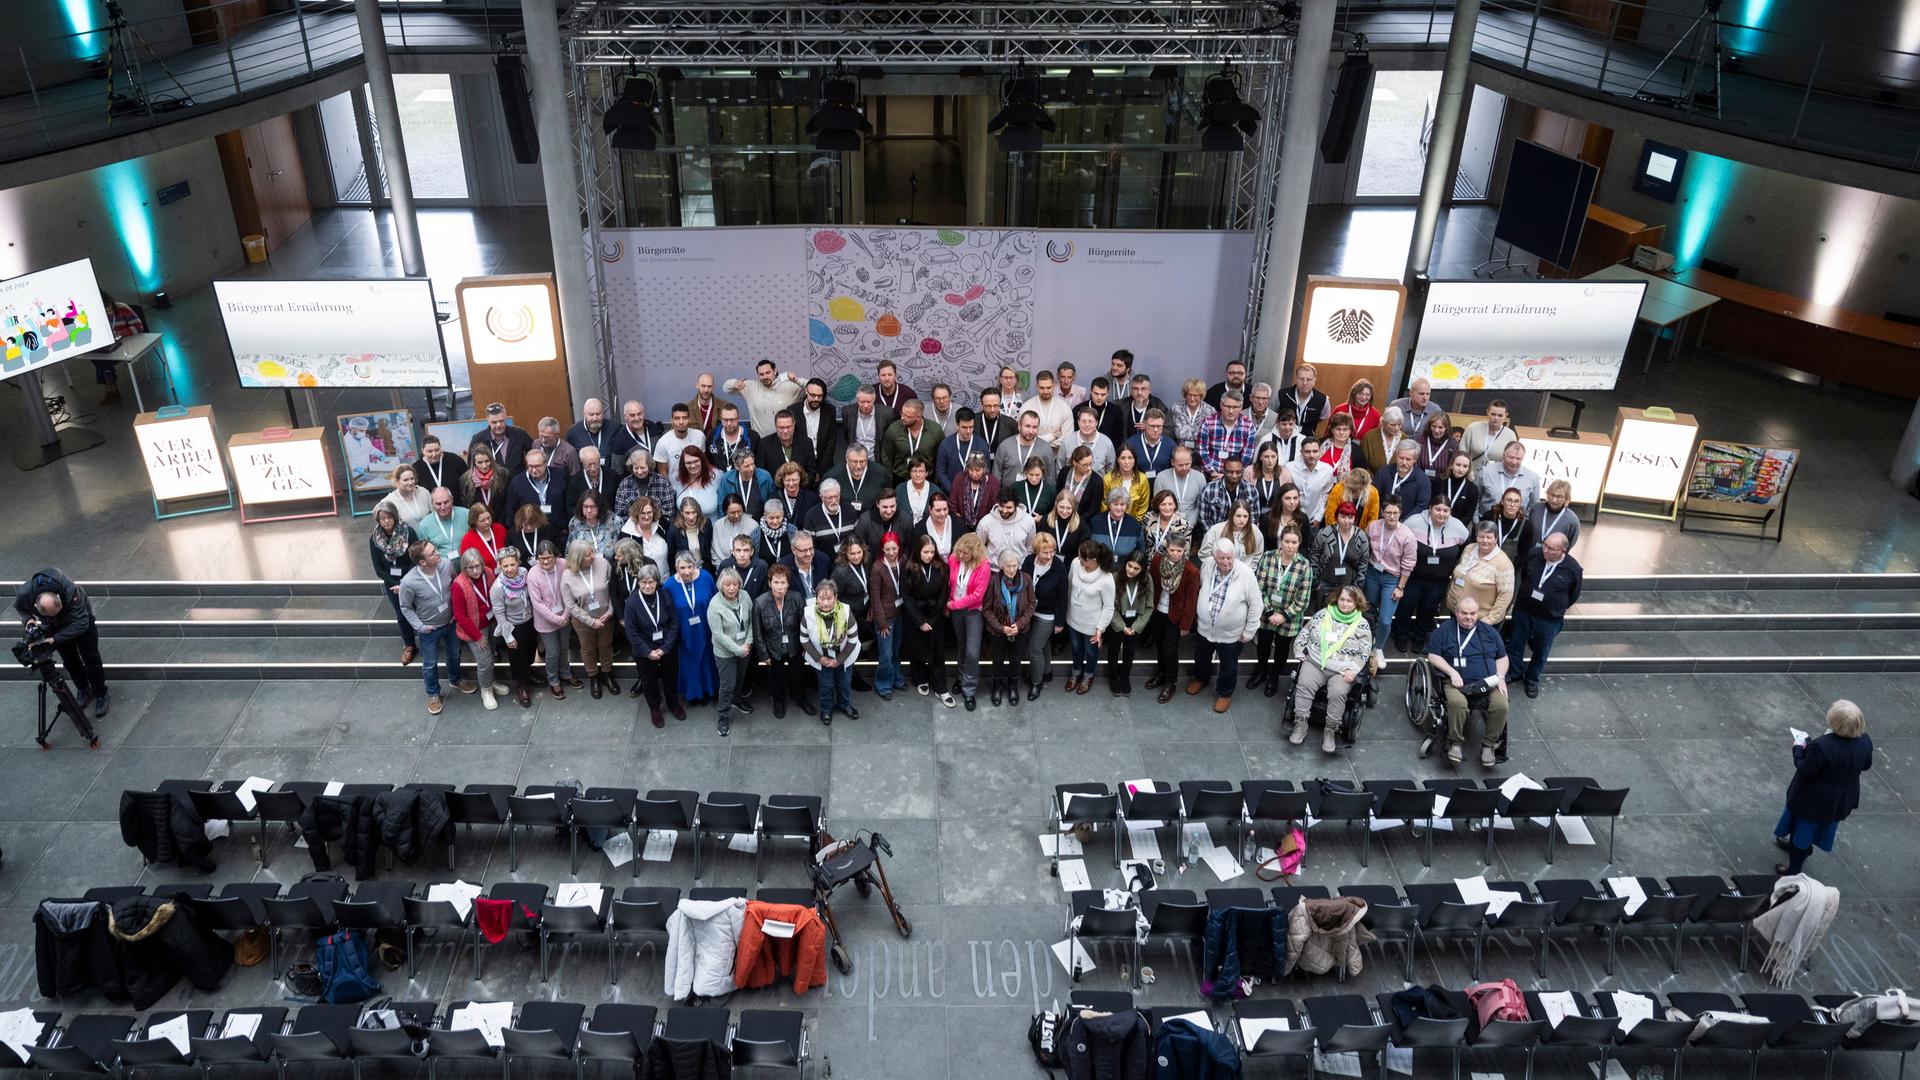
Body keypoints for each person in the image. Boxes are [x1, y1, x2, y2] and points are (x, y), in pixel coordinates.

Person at [1773, 699, 1874, 876]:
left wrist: (1798, 749)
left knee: (1801, 832)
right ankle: (1804, 848)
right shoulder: (1864, 741)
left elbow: (1805, 770)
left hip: (1812, 800)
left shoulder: (1823, 746)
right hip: (1841, 799)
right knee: (1814, 828)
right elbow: (1866, 765)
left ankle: (1793, 869)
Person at [1424, 596, 1510, 767]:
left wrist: (1500, 677)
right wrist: (1452, 672)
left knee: (1502, 705)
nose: (1469, 617)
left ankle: (1489, 744)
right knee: (1457, 703)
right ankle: (1455, 742)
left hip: (1488, 681)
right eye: (1464, 613)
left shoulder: (1489, 632)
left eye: (1472, 613)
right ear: (1456, 613)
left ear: (1478, 613)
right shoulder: (1445, 631)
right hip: (1457, 682)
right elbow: (1432, 655)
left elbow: (1502, 657)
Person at [13, 567, 110, 716]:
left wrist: (54, 639)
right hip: (55, 627)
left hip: (80, 621)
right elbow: (20, 609)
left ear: (60, 598)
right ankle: (83, 689)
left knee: (91, 658)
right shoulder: (24, 594)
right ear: (36, 606)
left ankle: (100, 693)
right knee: (69, 660)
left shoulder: (71, 591)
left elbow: (82, 623)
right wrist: (29, 621)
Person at [1290, 586, 1373, 752]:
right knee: (1303, 685)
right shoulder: (1322, 614)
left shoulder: (1362, 624)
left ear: (1356, 603)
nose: (1344, 604)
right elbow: (1305, 633)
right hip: (1315, 662)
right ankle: (1300, 723)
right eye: (1342, 599)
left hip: (1342, 670)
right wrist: (1299, 651)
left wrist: (1353, 670)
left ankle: (1330, 730)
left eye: (1349, 601)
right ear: (1337, 599)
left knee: (1338, 694)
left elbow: (1365, 651)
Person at [1186, 538, 1263, 713]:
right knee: (1201, 657)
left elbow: (1256, 605)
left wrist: (1250, 631)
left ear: (1235, 556)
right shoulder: (1207, 565)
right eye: (1221, 558)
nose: (1225, 562)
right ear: (1214, 557)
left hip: (1231, 633)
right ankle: (1201, 679)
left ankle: (1225, 693)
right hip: (1205, 628)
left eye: (1229, 558)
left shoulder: (1246, 574)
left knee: (1229, 665)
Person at [397, 541, 469, 715]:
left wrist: (457, 611)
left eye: (436, 549)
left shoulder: (446, 564)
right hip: (429, 629)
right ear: (422, 562)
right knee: (430, 664)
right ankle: (433, 693)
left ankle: (455, 679)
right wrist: (420, 626)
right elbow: (405, 607)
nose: (438, 553)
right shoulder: (409, 581)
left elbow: (455, 584)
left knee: (454, 653)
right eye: (432, 553)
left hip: (451, 622)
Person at [1507, 532, 1582, 698]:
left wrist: (1555, 605)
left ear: (1564, 551)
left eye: (1552, 549)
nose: (1545, 551)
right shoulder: (1534, 555)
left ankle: (1532, 678)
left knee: (1541, 650)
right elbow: (1525, 575)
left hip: (1549, 618)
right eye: (1545, 545)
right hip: (1524, 610)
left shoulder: (1572, 569)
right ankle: (1514, 671)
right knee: (1516, 642)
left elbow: (1574, 593)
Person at [1393, 496, 1471, 652]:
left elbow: (1464, 549)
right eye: (1437, 509)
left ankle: (1419, 638)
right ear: (1430, 508)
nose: (1441, 514)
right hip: (1413, 578)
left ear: (1450, 512)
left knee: (1427, 610)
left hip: (1438, 582)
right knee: (1405, 608)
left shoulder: (1459, 528)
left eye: (1445, 510)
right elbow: (1400, 541)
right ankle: (1401, 636)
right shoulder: (1413, 522)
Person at [1250, 527, 1313, 696]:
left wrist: (1284, 616)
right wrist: (1270, 613)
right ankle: (1261, 671)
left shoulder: (1304, 565)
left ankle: (1274, 676)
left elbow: (1303, 599)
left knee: (1282, 649)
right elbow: (1258, 587)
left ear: (1299, 543)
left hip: (1289, 618)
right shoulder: (1268, 557)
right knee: (1262, 645)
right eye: (1287, 541)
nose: (1290, 546)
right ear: (1281, 541)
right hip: (1266, 614)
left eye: (1294, 542)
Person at [623, 563, 684, 726]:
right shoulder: (632, 602)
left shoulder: (664, 596)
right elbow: (631, 632)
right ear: (639, 582)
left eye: (651, 582)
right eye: (643, 582)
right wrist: (647, 651)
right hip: (644, 650)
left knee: (671, 677)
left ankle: (673, 703)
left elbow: (674, 623)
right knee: (649, 681)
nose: (647, 586)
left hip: (666, 647)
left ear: (657, 582)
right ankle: (655, 708)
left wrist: (665, 648)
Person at [1363, 496, 1416, 668]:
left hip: (1392, 578)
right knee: (1369, 612)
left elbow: (1408, 564)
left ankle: (1378, 648)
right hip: (1372, 573)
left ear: (1400, 513)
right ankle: (1365, 644)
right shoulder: (1373, 527)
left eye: (1395, 513)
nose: (1392, 516)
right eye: (1388, 512)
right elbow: (1365, 549)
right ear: (1382, 513)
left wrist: (1400, 587)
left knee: (1386, 619)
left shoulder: (1407, 535)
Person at [752, 564, 810, 719]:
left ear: (788, 584)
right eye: (776, 582)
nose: (779, 587)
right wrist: (763, 654)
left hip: (794, 644)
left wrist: (805, 646)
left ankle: (800, 698)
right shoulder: (760, 603)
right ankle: (778, 701)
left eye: (783, 582)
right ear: (770, 583)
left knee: (798, 673)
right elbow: (758, 632)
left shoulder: (797, 598)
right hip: (773, 646)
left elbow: (805, 624)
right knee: (776, 676)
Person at [451, 549, 507, 711]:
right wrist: (477, 637)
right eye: (470, 568)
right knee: (485, 661)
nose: (475, 571)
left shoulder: (489, 573)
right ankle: (486, 690)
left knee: (493, 653)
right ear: (463, 568)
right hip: (474, 629)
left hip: (491, 622)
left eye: (477, 566)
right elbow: (460, 616)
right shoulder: (459, 585)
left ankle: (490, 681)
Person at [903, 534, 954, 706]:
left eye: (932, 552)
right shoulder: (909, 568)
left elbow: (942, 597)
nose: (929, 555)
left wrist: (930, 621)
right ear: (918, 551)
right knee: (917, 651)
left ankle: (940, 688)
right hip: (916, 617)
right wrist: (920, 621)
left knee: (938, 653)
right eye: (926, 552)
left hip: (935, 617)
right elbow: (907, 597)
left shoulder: (941, 568)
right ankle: (920, 679)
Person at [563, 538, 617, 698]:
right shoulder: (567, 575)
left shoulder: (603, 563)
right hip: (583, 621)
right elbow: (570, 605)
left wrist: (610, 612)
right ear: (577, 558)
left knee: (606, 646)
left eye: (592, 552)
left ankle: (607, 674)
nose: (593, 556)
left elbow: (614, 591)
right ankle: (594, 677)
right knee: (588, 650)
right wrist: (591, 621)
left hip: (606, 617)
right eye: (587, 555)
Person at [1148, 538, 1198, 703]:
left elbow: (1191, 600)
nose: (1175, 554)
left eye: (1179, 551)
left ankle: (1171, 682)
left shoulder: (1190, 570)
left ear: (1184, 551)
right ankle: (1161, 674)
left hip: (1176, 615)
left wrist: (1186, 625)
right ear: (1166, 549)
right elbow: (1152, 585)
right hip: (1158, 611)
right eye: (1172, 550)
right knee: (1159, 645)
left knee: (1170, 650)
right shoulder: (1157, 561)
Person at [982, 550, 1035, 707]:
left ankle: (1013, 687)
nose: (1012, 570)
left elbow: (1031, 604)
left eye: (1014, 565)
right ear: (1001, 566)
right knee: (997, 660)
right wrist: (1001, 628)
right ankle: (997, 687)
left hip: (1019, 630)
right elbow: (987, 609)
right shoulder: (994, 581)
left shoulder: (1026, 579)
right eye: (1008, 566)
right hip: (998, 631)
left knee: (1016, 660)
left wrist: (1018, 625)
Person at [527, 541, 579, 698]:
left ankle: (566, 674)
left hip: (565, 615)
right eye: (541, 558)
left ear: (556, 556)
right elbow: (537, 604)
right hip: (546, 621)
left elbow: (571, 590)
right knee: (552, 651)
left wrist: (565, 615)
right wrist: (557, 619)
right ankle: (553, 680)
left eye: (549, 557)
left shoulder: (564, 565)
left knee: (564, 648)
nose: (545, 561)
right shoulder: (533, 574)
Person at [803, 581, 860, 725]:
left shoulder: (846, 612)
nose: (826, 603)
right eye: (822, 598)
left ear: (836, 597)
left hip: (844, 656)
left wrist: (839, 660)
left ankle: (844, 705)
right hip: (821, 658)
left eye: (829, 598)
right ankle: (826, 709)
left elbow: (853, 639)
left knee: (844, 682)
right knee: (825, 685)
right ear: (816, 598)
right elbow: (803, 639)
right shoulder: (808, 613)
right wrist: (819, 658)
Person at [707, 567, 756, 736]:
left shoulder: (745, 597)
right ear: (721, 585)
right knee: (727, 685)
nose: (732, 588)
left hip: (745, 648)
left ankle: (737, 700)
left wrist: (748, 643)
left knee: (740, 678)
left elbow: (751, 622)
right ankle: (723, 716)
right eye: (727, 584)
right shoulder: (715, 605)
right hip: (726, 652)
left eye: (735, 584)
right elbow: (718, 634)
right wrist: (738, 649)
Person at [1063, 540, 1115, 695]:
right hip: (1073, 619)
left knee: (1091, 652)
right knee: (1076, 649)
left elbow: (1108, 606)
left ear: (1093, 560)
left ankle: (1088, 675)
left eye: (1082, 558)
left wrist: (1100, 629)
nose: (1079, 559)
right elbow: (1069, 587)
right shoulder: (1075, 564)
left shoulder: (1106, 578)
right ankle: (1076, 673)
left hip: (1092, 625)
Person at [668, 551, 718, 706]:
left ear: (695, 564)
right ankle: (693, 694)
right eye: (682, 568)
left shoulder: (706, 577)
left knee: (706, 659)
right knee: (689, 662)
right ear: (676, 567)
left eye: (690, 566)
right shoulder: (669, 585)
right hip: (684, 631)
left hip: (706, 628)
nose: (686, 572)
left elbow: (715, 600)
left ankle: (709, 690)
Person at [947, 533, 990, 710]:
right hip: (956, 610)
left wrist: (954, 604)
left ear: (974, 552)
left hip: (973, 612)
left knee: (972, 651)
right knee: (962, 645)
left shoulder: (983, 566)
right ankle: (961, 678)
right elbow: (950, 583)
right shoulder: (954, 559)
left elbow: (977, 596)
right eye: (960, 552)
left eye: (965, 553)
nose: (961, 556)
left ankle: (969, 690)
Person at [490, 548, 537, 708]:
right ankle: (521, 685)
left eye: (512, 564)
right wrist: (508, 636)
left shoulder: (524, 573)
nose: (509, 569)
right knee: (517, 658)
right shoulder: (497, 587)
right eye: (505, 566)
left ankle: (529, 673)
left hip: (530, 621)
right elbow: (499, 613)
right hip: (514, 626)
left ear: (518, 563)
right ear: (499, 566)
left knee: (531, 651)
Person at [1022, 531, 1068, 697]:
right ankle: (1046, 671)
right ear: (1036, 551)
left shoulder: (1058, 567)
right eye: (1045, 552)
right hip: (1029, 611)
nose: (1049, 556)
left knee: (1034, 648)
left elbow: (1063, 596)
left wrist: (1060, 622)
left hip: (1047, 614)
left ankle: (1036, 682)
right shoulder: (1028, 561)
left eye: (1052, 551)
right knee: (1044, 645)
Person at [1446, 522, 1517, 627]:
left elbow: (1505, 596)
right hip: (1456, 611)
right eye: (1481, 536)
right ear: (1476, 537)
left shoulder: (1504, 564)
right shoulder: (1469, 549)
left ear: (1496, 538)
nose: (1484, 540)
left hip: (1478, 620)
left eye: (1489, 537)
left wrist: (1490, 619)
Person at [830, 537, 875, 693]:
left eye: (859, 552)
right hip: (847, 614)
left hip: (863, 609)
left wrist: (871, 607)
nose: (856, 557)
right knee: (849, 648)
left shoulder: (866, 563)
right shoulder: (840, 572)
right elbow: (833, 597)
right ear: (845, 554)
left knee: (869, 636)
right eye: (852, 554)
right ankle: (854, 679)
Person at [1106, 550, 1154, 695]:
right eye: (1129, 566)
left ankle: (1125, 676)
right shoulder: (1114, 578)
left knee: (1130, 650)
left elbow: (1149, 607)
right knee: (1113, 650)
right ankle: (1113, 676)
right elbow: (1109, 606)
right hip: (1117, 618)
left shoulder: (1147, 579)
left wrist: (1136, 626)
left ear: (1142, 569)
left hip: (1136, 621)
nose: (1131, 571)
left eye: (1136, 568)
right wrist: (1121, 626)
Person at [869, 533, 907, 701]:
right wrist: (882, 623)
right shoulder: (877, 568)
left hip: (901, 615)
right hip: (886, 618)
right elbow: (875, 598)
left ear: (899, 548)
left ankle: (897, 679)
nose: (892, 552)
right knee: (885, 653)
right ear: (882, 549)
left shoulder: (903, 561)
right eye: (888, 549)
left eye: (894, 548)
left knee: (896, 650)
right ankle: (883, 685)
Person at [1310, 501, 1371, 605]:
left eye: (1350, 517)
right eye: (1343, 517)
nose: (1346, 521)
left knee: (1344, 617)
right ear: (1337, 517)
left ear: (1355, 519)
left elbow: (1363, 563)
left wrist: (1357, 586)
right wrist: (1316, 581)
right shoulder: (1325, 533)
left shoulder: (1361, 536)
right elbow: (1314, 556)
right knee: (1324, 617)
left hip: (1349, 586)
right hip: (1325, 584)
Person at [725, 360, 805, 434]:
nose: (765, 377)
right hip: (760, 442)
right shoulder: (751, 387)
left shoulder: (791, 386)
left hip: (786, 440)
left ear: (775, 371)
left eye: (768, 373)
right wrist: (734, 383)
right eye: (761, 374)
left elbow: (813, 388)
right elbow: (726, 388)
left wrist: (796, 380)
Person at [1194, 390, 1257, 479]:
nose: (1231, 411)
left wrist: (1230, 475)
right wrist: (1212, 472)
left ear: (1241, 407)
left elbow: (1247, 456)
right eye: (1228, 406)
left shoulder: (1248, 426)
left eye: (1235, 407)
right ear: (1221, 405)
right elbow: (1201, 450)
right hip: (1209, 475)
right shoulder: (1208, 422)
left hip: (1234, 477)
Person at [880, 398, 943, 484]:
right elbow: (886, 458)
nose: (902, 418)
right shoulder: (894, 429)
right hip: (900, 478)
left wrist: (936, 481)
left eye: (908, 416)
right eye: (902, 413)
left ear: (918, 417)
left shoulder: (935, 430)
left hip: (927, 479)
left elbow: (939, 458)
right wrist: (889, 482)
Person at [96, 291, 144, 403]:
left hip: (129, 342)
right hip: (113, 343)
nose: (107, 310)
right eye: (104, 307)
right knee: (97, 357)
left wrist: (119, 333)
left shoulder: (122, 308)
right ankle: (111, 387)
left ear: (111, 302)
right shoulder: (99, 313)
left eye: (108, 306)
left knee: (101, 361)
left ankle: (111, 388)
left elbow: (139, 327)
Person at [1477, 438, 1542, 519]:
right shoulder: (1486, 472)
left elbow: (1534, 506)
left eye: (1518, 459)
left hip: (1515, 526)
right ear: (1504, 455)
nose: (1514, 462)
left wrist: (1524, 522)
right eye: (1511, 457)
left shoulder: (1533, 478)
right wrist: (1476, 521)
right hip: (1487, 523)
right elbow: (1476, 498)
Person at [505, 446, 565, 533]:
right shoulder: (517, 482)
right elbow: (511, 510)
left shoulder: (560, 476)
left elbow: (567, 503)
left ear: (545, 463)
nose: (534, 470)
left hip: (558, 530)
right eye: (530, 466)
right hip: (530, 531)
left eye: (538, 466)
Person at [1196, 454, 1257, 535]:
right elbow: (1204, 518)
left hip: (1242, 535)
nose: (1234, 476)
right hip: (1214, 534)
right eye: (1230, 472)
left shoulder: (1251, 490)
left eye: (1238, 472)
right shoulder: (1209, 490)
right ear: (1223, 471)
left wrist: (1241, 536)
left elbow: (1253, 518)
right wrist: (1216, 535)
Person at [995, 410, 1055, 489]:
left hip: (1035, 498)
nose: (1031, 431)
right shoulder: (1005, 446)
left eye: (1034, 427)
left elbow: (1050, 479)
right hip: (1009, 498)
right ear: (1019, 426)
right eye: (1027, 426)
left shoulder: (1046, 449)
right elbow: (996, 476)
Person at [469, 402, 534, 473]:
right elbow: (471, 463)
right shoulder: (478, 439)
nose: (498, 425)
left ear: (505, 417)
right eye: (494, 422)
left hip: (517, 481)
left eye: (501, 421)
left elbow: (533, 452)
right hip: (493, 482)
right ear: (487, 419)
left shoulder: (519, 434)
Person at [1284, 437, 1336, 524]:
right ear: (1301, 452)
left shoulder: (1327, 470)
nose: (1311, 455)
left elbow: (1325, 494)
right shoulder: (1290, 468)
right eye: (1307, 452)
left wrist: (1319, 517)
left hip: (1314, 519)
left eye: (1315, 451)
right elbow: (1284, 494)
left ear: (1320, 451)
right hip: (1292, 518)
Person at [757, 410, 818, 483]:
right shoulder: (764, 444)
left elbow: (812, 472)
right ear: (776, 426)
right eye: (781, 428)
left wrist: (795, 485)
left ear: (794, 424)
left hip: (800, 490)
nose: (785, 431)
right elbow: (762, 474)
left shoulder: (806, 443)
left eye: (788, 427)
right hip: (775, 491)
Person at [1374, 441, 1430, 518]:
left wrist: (1401, 524)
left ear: (1415, 460)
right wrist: (1383, 518)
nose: (1404, 462)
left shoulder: (1422, 480)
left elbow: (1420, 507)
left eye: (1408, 459)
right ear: (1396, 456)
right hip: (1382, 521)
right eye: (1401, 458)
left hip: (1408, 526)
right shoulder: (1383, 473)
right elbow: (1374, 499)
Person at [826, 443, 886, 513]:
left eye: (862, 461)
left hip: (871, 520)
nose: (858, 466)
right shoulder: (832, 476)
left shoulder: (881, 473)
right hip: (842, 520)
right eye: (854, 462)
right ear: (847, 460)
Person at [936, 407, 986, 491]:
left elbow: (986, 471)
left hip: (975, 493)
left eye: (971, 427)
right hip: (951, 493)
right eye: (964, 427)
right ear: (957, 425)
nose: (968, 431)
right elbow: (941, 472)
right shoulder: (946, 445)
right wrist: (952, 490)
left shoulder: (981, 444)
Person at [793, 379, 840, 467]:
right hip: (800, 465)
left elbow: (831, 442)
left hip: (823, 464)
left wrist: (821, 469)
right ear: (806, 391)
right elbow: (794, 442)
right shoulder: (793, 410)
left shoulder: (830, 411)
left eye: (820, 396)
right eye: (813, 395)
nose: (816, 399)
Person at [1459, 399, 1518, 468]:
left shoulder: (1510, 435)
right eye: (1493, 414)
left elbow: (1511, 460)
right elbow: (1462, 452)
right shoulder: (1473, 428)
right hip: (1470, 474)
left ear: (1506, 416)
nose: (1496, 418)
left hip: (1494, 476)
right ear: (1487, 412)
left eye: (1500, 415)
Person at [1024, 369, 1075, 447]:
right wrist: (1052, 436)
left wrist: (1038, 442)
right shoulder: (1026, 407)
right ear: (1036, 387)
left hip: (1056, 456)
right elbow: (1024, 437)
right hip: (1031, 456)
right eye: (1042, 388)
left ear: (1054, 386)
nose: (1045, 391)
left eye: (1048, 387)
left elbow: (1068, 439)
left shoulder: (1065, 407)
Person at [841, 386, 894, 459]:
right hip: (855, 457)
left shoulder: (887, 413)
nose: (866, 405)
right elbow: (847, 435)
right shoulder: (848, 412)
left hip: (877, 457)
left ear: (874, 400)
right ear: (857, 400)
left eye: (869, 402)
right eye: (862, 402)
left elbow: (888, 441)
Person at [1526, 479, 1581, 550]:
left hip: (1553, 558)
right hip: (1531, 555)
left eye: (1559, 497)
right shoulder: (1535, 508)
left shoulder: (1572, 521)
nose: (1554, 500)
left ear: (1566, 498)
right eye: (1552, 495)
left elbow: (1569, 544)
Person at [605, 399, 663, 467]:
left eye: (639, 414)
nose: (637, 418)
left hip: (657, 475)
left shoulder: (652, 427)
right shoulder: (619, 440)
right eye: (632, 415)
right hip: (636, 476)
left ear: (643, 413)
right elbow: (617, 470)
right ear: (625, 416)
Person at [951, 453, 999, 534]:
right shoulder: (959, 479)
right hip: (961, 528)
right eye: (971, 470)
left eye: (977, 470)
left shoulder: (993, 483)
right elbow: (952, 505)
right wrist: (960, 523)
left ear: (984, 469)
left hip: (985, 529)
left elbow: (995, 509)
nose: (974, 474)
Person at [461, 445, 509, 526]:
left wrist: (501, 523)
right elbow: (467, 506)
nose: (484, 465)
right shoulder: (465, 480)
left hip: (501, 523)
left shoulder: (503, 475)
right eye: (480, 462)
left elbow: (507, 502)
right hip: (479, 524)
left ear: (492, 460)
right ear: (474, 463)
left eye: (487, 461)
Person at [1054, 446, 1104, 523]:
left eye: (1090, 464)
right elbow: (1057, 494)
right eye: (1085, 465)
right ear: (1074, 462)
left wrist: (1076, 520)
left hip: (1081, 522)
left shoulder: (1097, 481)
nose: (1089, 468)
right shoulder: (1064, 472)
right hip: (1060, 517)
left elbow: (1093, 509)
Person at [1062, 405, 1116, 476]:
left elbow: (1111, 471)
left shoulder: (1106, 443)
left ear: (1096, 423)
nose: (1087, 425)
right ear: (1078, 422)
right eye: (1083, 421)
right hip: (1072, 486)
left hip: (1098, 486)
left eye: (1090, 421)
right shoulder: (1067, 442)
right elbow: (1060, 469)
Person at [1483, 486, 1533, 563]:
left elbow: (1524, 554)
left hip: (1510, 566)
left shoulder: (1526, 526)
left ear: (1520, 504)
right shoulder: (1489, 517)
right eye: (1509, 500)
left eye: (1516, 501)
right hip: (1485, 561)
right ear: (1502, 501)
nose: (1512, 505)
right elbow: (1477, 539)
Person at [1103, 445, 1153, 521]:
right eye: (1123, 458)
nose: (1126, 462)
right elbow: (1104, 504)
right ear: (1118, 460)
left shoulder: (1142, 479)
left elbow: (1143, 507)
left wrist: (1133, 524)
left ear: (1134, 460)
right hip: (1111, 522)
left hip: (1134, 523)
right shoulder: (1108, 478)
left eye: (1130, 458)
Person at [1091, 490, 1145, 560]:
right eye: (1115, 504)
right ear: (1109, 504)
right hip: (1099, 567)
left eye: (1122, 504)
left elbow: (1140, 551)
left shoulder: (1135, 525)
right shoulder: (1096, 522)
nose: (1119, 508)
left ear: (1127, 505)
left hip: (1125, 569)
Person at [1323, 466, 1379, 532]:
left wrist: (1364, 536)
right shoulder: (1338, 489)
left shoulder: (1373, 492)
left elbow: (1373, 518)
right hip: (1338, 531)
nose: (1359, 492)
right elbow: (1330, 515)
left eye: (1362, 489)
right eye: (1355, 490)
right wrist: (1335, 535)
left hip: (1361, 533)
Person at [711, 494, 760, 570]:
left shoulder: (753, 526)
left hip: (747, 570)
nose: (736, 515)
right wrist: (723, 569)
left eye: (739, 511)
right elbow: (714, 552)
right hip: (723, 570)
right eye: (732, 512)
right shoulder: (718, 525)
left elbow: (755, 554)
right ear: (725, 511)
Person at [568, 446, 618, 519]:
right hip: (585, 523)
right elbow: (571, 507)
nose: (593, 468)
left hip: (609, 522)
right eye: (588, 465)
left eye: (596, 464)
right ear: (582, 463)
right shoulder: (575, 481)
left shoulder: (612, 476)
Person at [379, 463, 433, 530]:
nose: (410, 482)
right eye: (405, 480)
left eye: (412, 478)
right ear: (397, 481)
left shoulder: (423, 492)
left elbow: (434, 515)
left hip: (428, 538)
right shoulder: (389, 501)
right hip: (406, 539)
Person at [782, 530, 833, 602]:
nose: (809, 554)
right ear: (793, 550)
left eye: (811, 548)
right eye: (804, 550)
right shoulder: (783, 567)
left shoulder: (823, 561)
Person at [414, 434, 468, 501]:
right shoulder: (416, 468)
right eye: (430, 451)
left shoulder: (455, 460)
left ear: (440, 447)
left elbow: (467, 481)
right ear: (422, 451)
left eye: (437, 450)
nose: (434, 454)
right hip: (431, 509)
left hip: (456, 505)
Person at [567, 490, 618, 561]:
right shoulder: (575, 522)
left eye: (592, 506)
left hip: (610, 566)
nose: (589, 510)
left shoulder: (614, 521)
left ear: (600, 506)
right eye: (585, 506)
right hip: (583, 567)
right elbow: (569, 551)